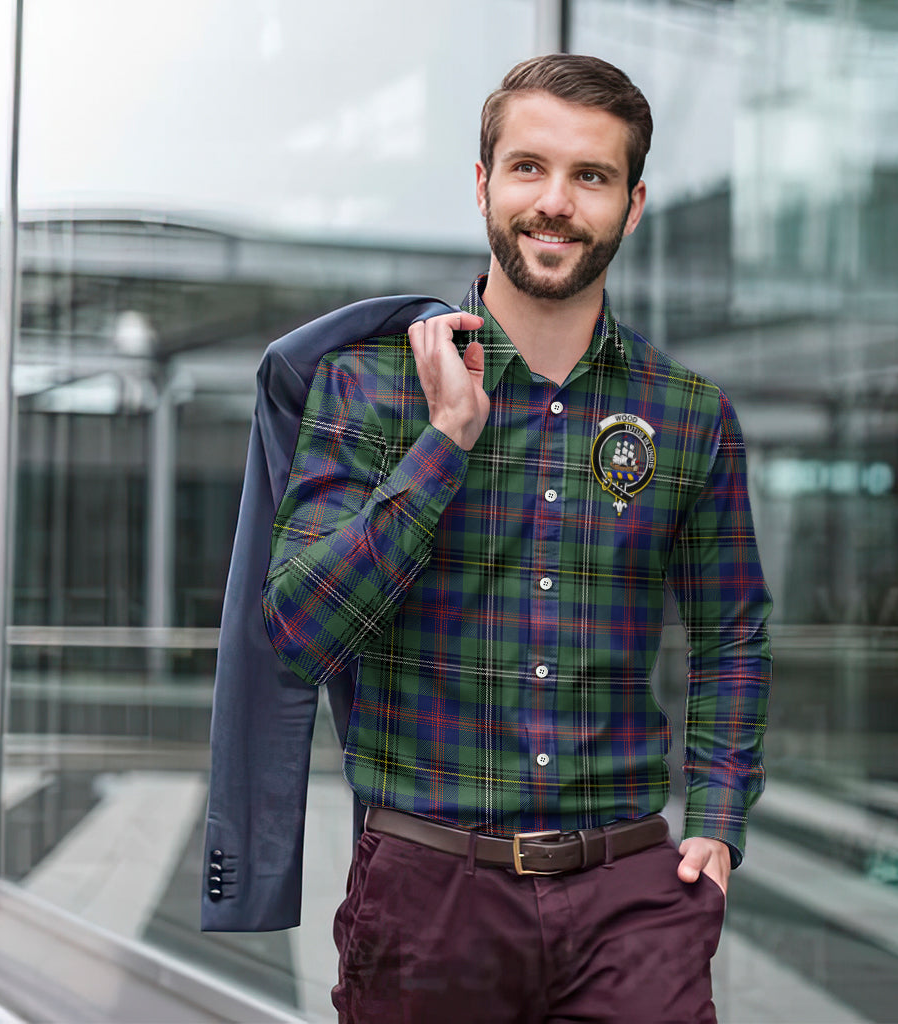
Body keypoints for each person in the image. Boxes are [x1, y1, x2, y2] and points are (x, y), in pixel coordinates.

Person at [261, 53, 772, 1023]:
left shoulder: (689, 414)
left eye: (592, 176)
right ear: (484, 182)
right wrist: (446, 440)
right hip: (429, 896)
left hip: (631, 898)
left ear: (633, 202)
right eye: (530, 167)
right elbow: (296, 632)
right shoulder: (368, 390)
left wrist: (716, 819)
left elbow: (731, 632)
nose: (556, 202)